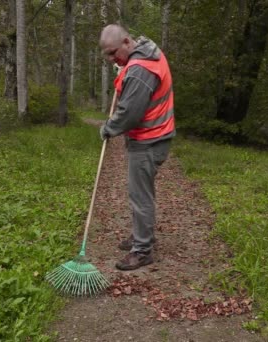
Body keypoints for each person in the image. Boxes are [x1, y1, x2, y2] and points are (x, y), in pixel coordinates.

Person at [99, 24, 175, 271]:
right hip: (155, 137)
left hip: (149, 140)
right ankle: (141, 235)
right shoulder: (145, 52)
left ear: (127, 42)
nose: (112, 59)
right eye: (108, 55)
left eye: (113, 53)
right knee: (141, 192)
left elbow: (129, 115)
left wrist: (108, 128)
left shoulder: (139, 70)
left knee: (140, 195)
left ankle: (142, 250)